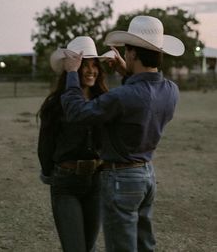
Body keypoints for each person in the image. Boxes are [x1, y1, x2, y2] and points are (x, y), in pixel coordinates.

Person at [61, 16, 185, 252]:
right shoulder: (171, 90)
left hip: (122, 178)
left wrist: (71, 74)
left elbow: (77, 113)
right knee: (144, 245)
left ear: (132, 54)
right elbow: (143, 95)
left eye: (127, 51)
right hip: (147, 175)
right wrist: (128, 73)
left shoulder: (124, 96)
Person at [37, 36, 109, 252]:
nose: (90, 71)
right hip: (66, 184)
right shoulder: (55, 104)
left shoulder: (105, 101)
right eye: (83, 65)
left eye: (94, 65)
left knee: (89, 247)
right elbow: (45, 145)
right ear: (72, 69)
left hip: (96, 182)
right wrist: (51, 173)